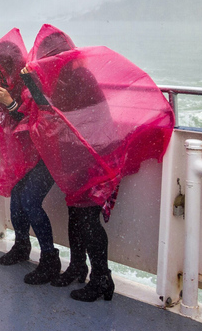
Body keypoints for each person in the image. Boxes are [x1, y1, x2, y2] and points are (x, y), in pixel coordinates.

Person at [22, 25, 173, 301]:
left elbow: (51, 111)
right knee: (76, 214)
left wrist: (33, 83)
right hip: (82, 157)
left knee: (87, 219)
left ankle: (102, 279)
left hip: (97, 158)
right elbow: (53, 113)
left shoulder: (77, 79)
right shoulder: (68, 76)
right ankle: (78, 267)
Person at [0, 28, 60, 285]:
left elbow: (38, 123)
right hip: (29, 153)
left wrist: (10, 103)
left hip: (49, 153)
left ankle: (50, 258)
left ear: (9, 65)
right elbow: (3, 119)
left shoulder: (30, 82)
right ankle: (22, 246)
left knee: (28, 199)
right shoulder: (11, 84)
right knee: (17, 198)